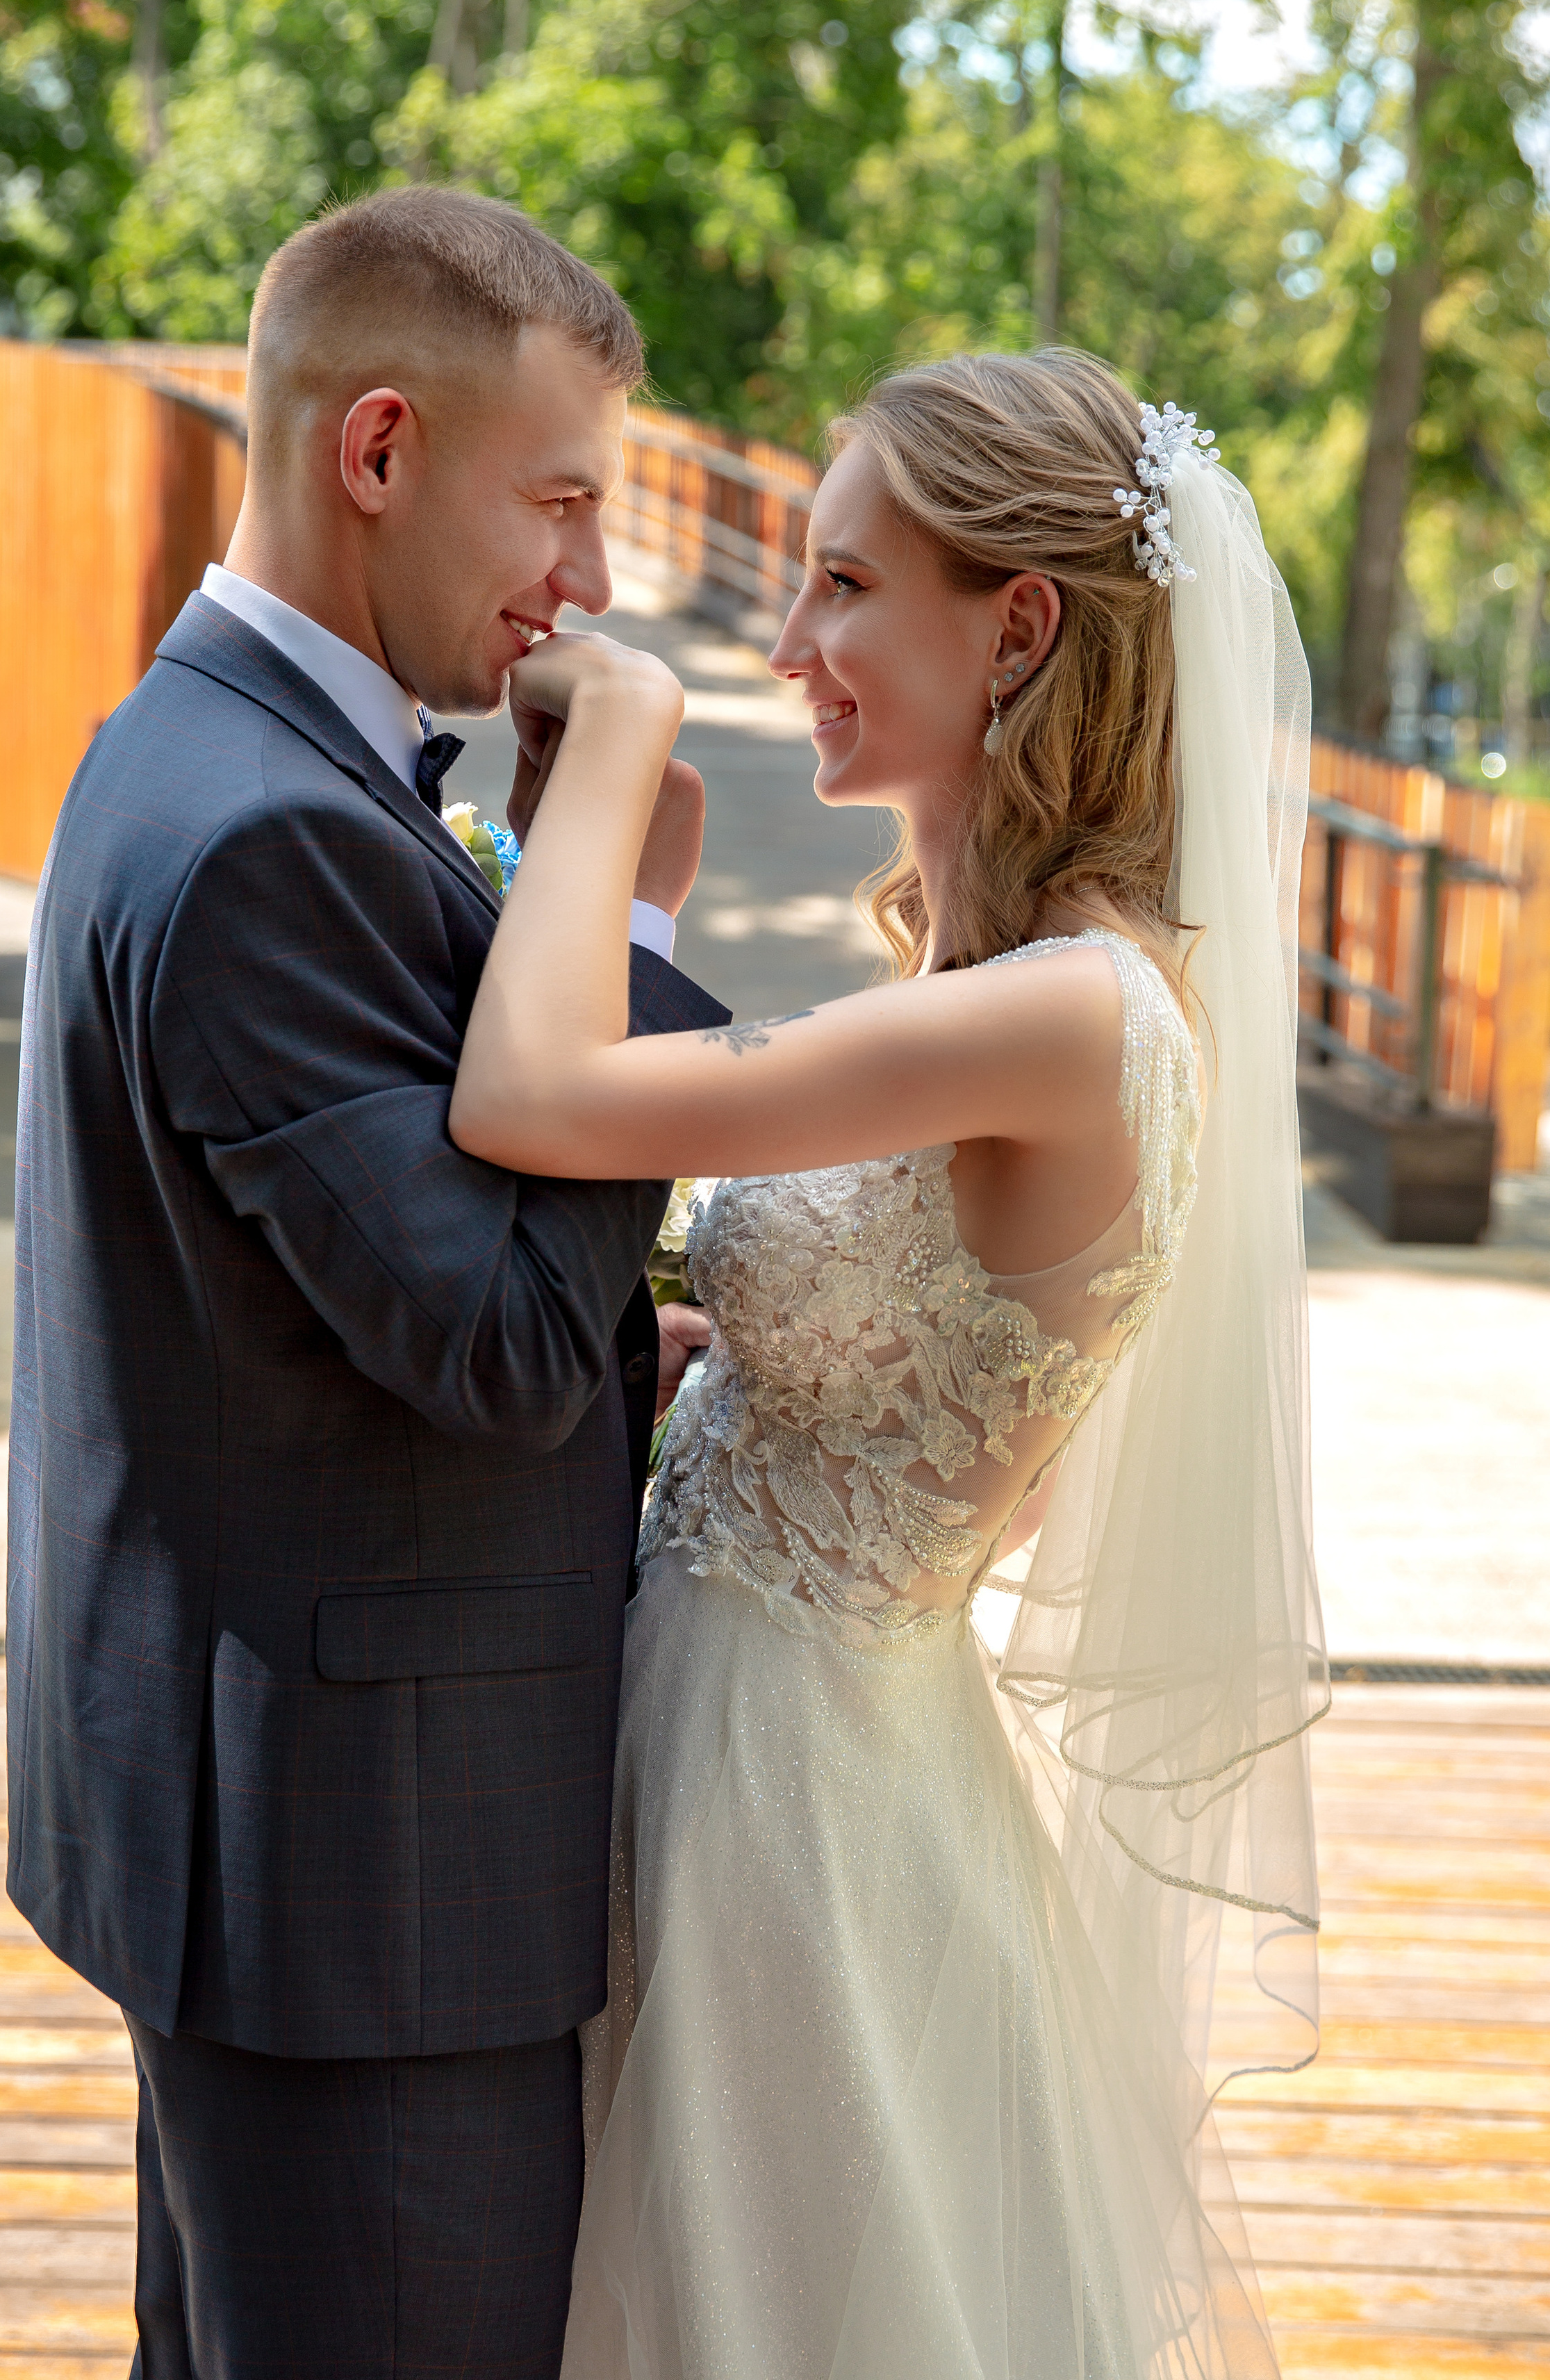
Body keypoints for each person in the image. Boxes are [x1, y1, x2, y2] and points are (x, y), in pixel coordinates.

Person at [450, 349, 1328, 2378]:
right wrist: (737, 1382)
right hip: (784, 1727)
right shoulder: (1015, 985)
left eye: (845, 586)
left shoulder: (1068, 1014)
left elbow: (529, 1090)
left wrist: (614, 760)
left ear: (1016, 626)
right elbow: (988, 1436)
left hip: (791, 1800)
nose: (787, 644)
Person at [6, 186, 729, 2379]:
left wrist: (640, 1345)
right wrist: (631, 912)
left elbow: (336, 1293)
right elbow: (495, 1346)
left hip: (296, 1838)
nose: (590, 586)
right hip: (366, 1891)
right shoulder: (267, 830)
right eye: (564, 502)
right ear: (381, 451)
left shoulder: (250, 760)